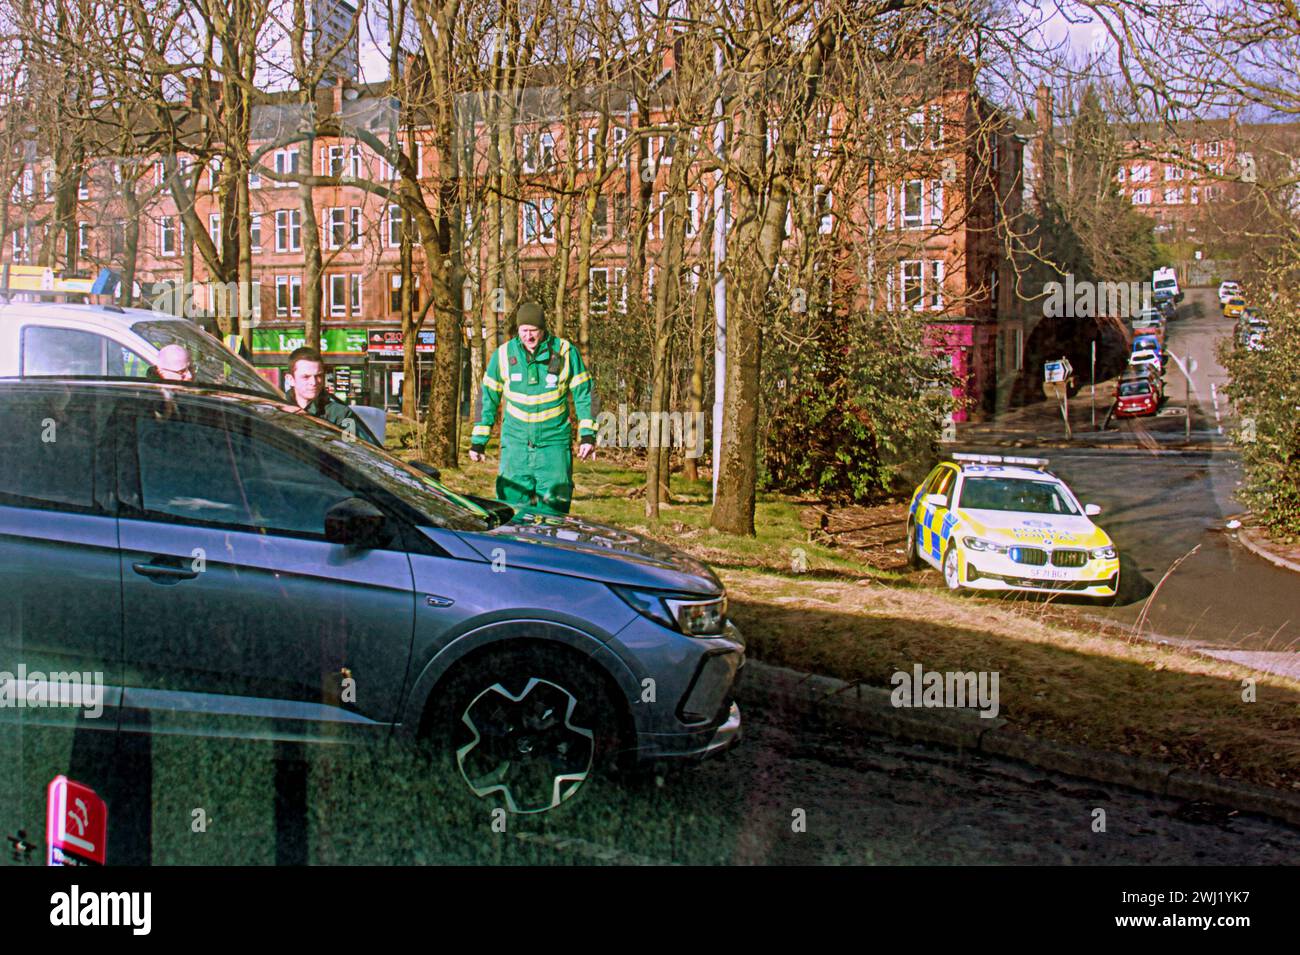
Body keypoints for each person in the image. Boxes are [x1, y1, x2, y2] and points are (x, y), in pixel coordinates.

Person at [469, 301, 596, 515]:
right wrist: (478, 442)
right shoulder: (503, 355)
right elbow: (487, 398)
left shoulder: (565, 352)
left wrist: (588, 436)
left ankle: (549, 547)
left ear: (543, 329)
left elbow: (585, 393)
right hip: (516, 446)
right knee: (511, 510)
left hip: (554, 445)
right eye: (523, 331)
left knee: (555, 509)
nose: (528, 336)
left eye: (533, 331)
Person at [285, 346, 381, 447]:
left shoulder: (341, 414)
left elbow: (354, 451)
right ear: (290, 379)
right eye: (306, 377)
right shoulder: (276, 408)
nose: (313, 382)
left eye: (319, 376)